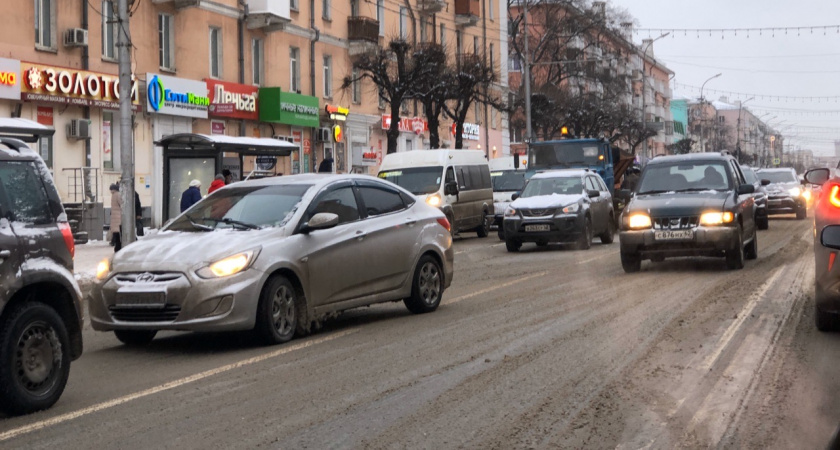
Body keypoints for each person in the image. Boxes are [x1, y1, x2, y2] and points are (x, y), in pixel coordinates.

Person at [108, 184, 123, 252]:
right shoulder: (118, 195)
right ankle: (119, 247)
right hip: (118, 216)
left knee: (116, 233)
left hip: (114, 216)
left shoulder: (113, 195)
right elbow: (121, 204)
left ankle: (116, 246)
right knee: (120, 232)